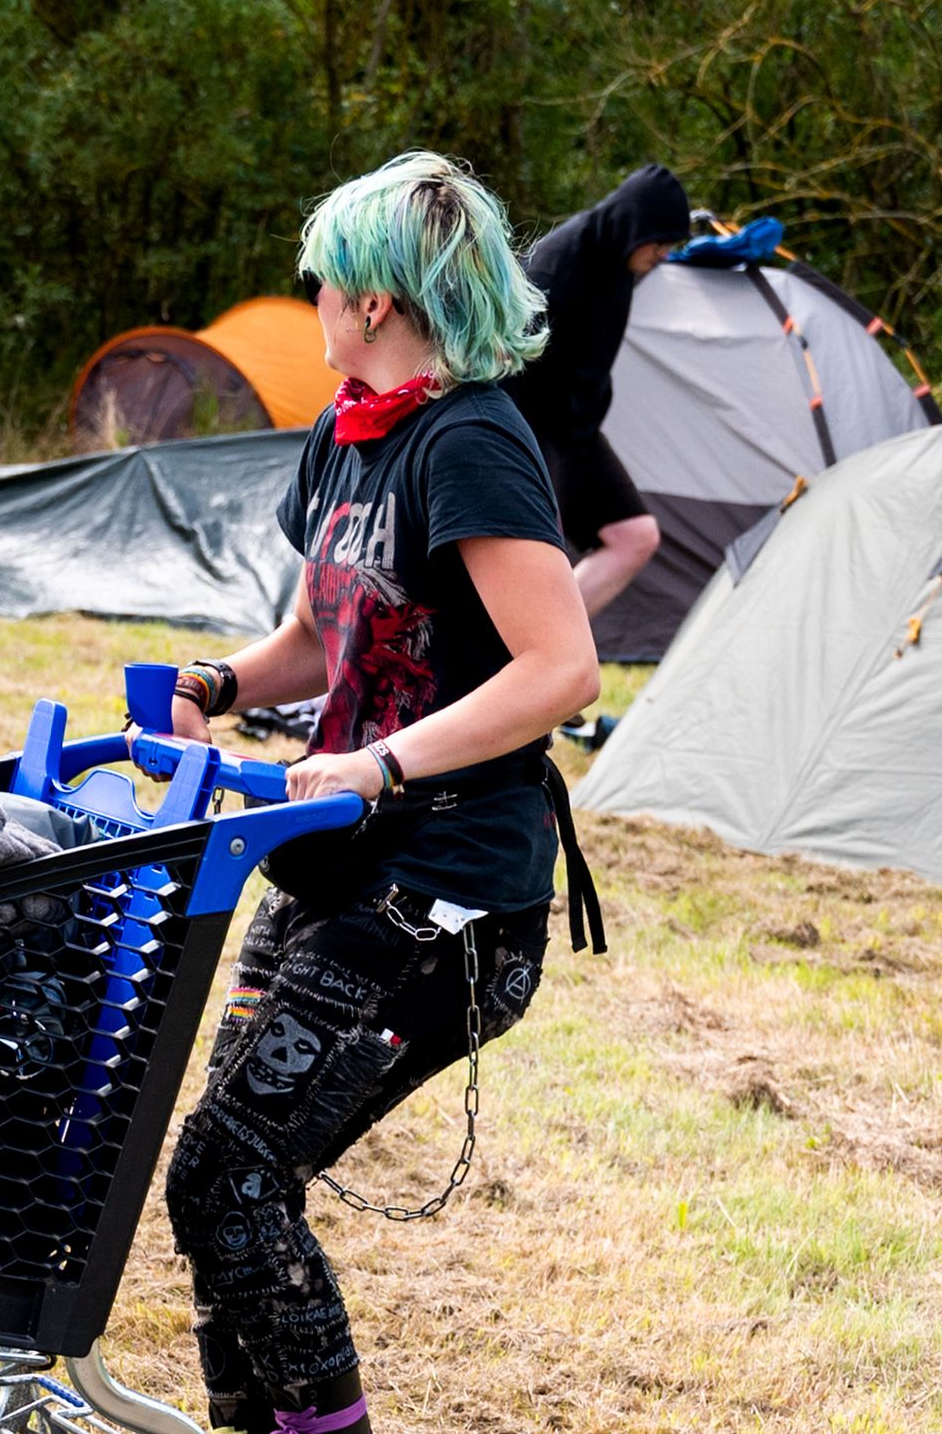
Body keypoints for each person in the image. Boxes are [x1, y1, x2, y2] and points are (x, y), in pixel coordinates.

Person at [149, 153, 603, 1434]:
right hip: (332, 860)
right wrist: (210, 682)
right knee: (215, 1184)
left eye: (322, 279)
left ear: (374, 300)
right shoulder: (345, 432)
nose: (309, 297)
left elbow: (560, 667)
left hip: (447, 890)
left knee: (229, 1174)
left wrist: (380, 761)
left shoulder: (469, 439)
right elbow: (317, 634)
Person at [503, 164, 691, 615]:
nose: (663, 255)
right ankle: (526, 644)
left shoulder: (620, 259)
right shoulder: (556, 267)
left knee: (634, 536)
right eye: (660, 243)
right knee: (540, 559)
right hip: (530, 432)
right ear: (634, 227)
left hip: (577, 432)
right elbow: (502, 365)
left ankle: (551, 636)